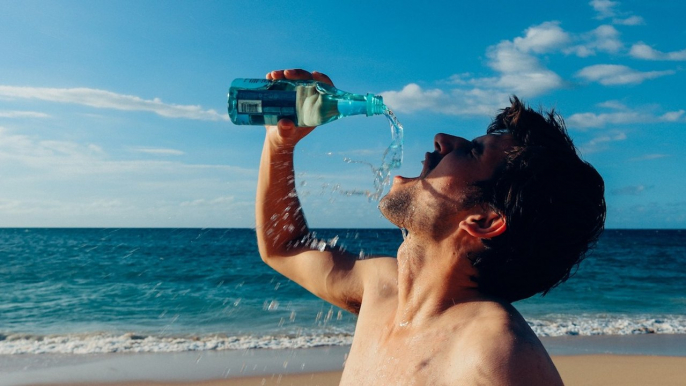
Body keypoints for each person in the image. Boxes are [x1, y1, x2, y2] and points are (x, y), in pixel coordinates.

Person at [256, 69, 606, 385]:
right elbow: (284, 246)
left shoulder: (497, 355)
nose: (442, 139)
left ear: (484, 221)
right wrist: (279, 143)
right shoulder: (382, 289)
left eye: (472, 152)